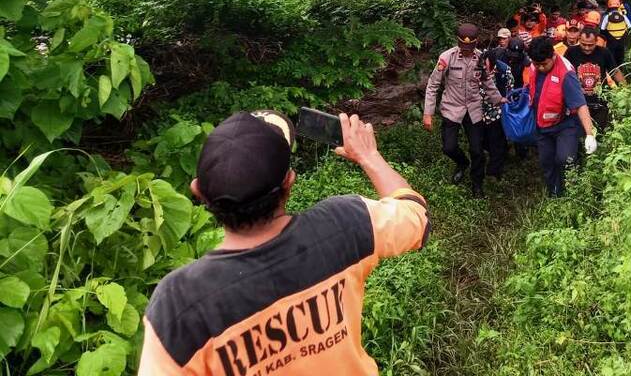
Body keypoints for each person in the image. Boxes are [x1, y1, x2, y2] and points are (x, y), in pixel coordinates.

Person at [138, 109, 429, 376]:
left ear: (198, 192)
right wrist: (369, 156)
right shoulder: (346, 224)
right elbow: (417, 217)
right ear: (289, 182)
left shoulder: (179, 302)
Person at [423, 23, 502, 198]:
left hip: (473, 110)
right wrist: (428, 113)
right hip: (452, 108)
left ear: (475, 43)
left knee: (477, 150)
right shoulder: (447, 57)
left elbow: (487, 82)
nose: (466, 50)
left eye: (470, 47)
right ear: (458, 42)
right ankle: (462, 163)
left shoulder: (480, 58)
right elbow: (433, 84)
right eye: (463, 47)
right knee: (448, 147)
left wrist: (498, 99)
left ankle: (477, 185)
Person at [526, 37, 596, 196]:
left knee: (565, 158)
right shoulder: (534, 66)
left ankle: (574, 188)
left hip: (565, 124)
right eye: (537, 64)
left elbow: (580, 104)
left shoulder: (566, 73)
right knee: (547, 162)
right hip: (542, 125)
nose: (541, 68)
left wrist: (589, 134)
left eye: (544, 64)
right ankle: (555, 194)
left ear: (553, 56)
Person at [565, 27, 626, 131]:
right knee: (579, 134)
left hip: (600, 102)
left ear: (596, 41)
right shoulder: (571, 52)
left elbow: (615, 72)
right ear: (579, 39)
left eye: (590, 45)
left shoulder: (604, 52)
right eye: (583, 44)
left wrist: (626, 90)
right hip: (579, 102)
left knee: (599, 133)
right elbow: (563, 73)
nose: (587, 48)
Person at [479, 50, 513, 180]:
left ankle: (493, 172)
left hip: (496, 113)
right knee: (482, 142)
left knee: (496, 143)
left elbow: (510, 88)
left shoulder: (504, 71)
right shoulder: (475, 69)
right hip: (478, 112)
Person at [600, 0, 631, 66]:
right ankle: (620, 69)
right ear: (618, 6)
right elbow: (629, 27)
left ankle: (611, 70)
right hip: (621, 40)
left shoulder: (607, 16)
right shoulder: (623, 15)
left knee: (611, 55)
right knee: (620, 56)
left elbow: (602, 29)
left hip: (611, 40)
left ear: (608, 6)